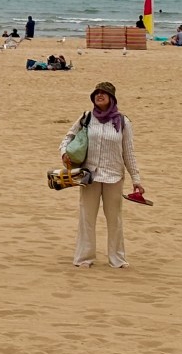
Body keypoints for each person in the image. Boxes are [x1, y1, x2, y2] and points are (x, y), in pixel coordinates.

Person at [60, 81, 144, 269]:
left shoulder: (123, 122)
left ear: (112, 98)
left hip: (114, 176)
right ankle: (84, 258)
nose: (99, 96)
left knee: (114, 219)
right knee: (87, 217)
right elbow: (69, 137)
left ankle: (117, 258)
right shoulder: (87, 118)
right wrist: (64, 152)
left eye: (103, 93)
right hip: (89, 176)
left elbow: (128, 152)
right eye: (96, 93)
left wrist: (136, 179)